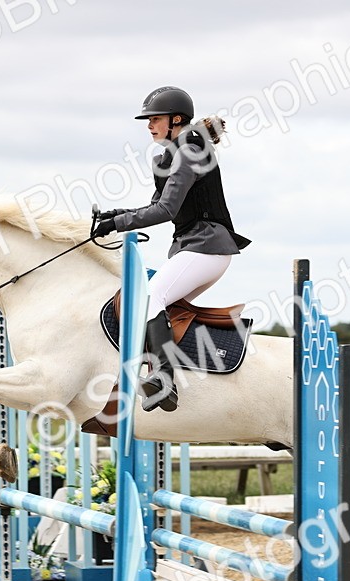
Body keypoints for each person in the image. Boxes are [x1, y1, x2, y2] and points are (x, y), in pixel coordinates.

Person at [93, 86, 250, 413]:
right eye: (148, 120)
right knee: (160, 310)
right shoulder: (170, 155)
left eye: (155, 119)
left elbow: (164, 211)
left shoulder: (189, 151)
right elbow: (157, 205)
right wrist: (115, 215)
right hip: (196, 249)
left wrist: (116, 225)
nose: (149, 125)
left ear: (176, 120)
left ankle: (164, 382)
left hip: (206, 247)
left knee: (150, 298)